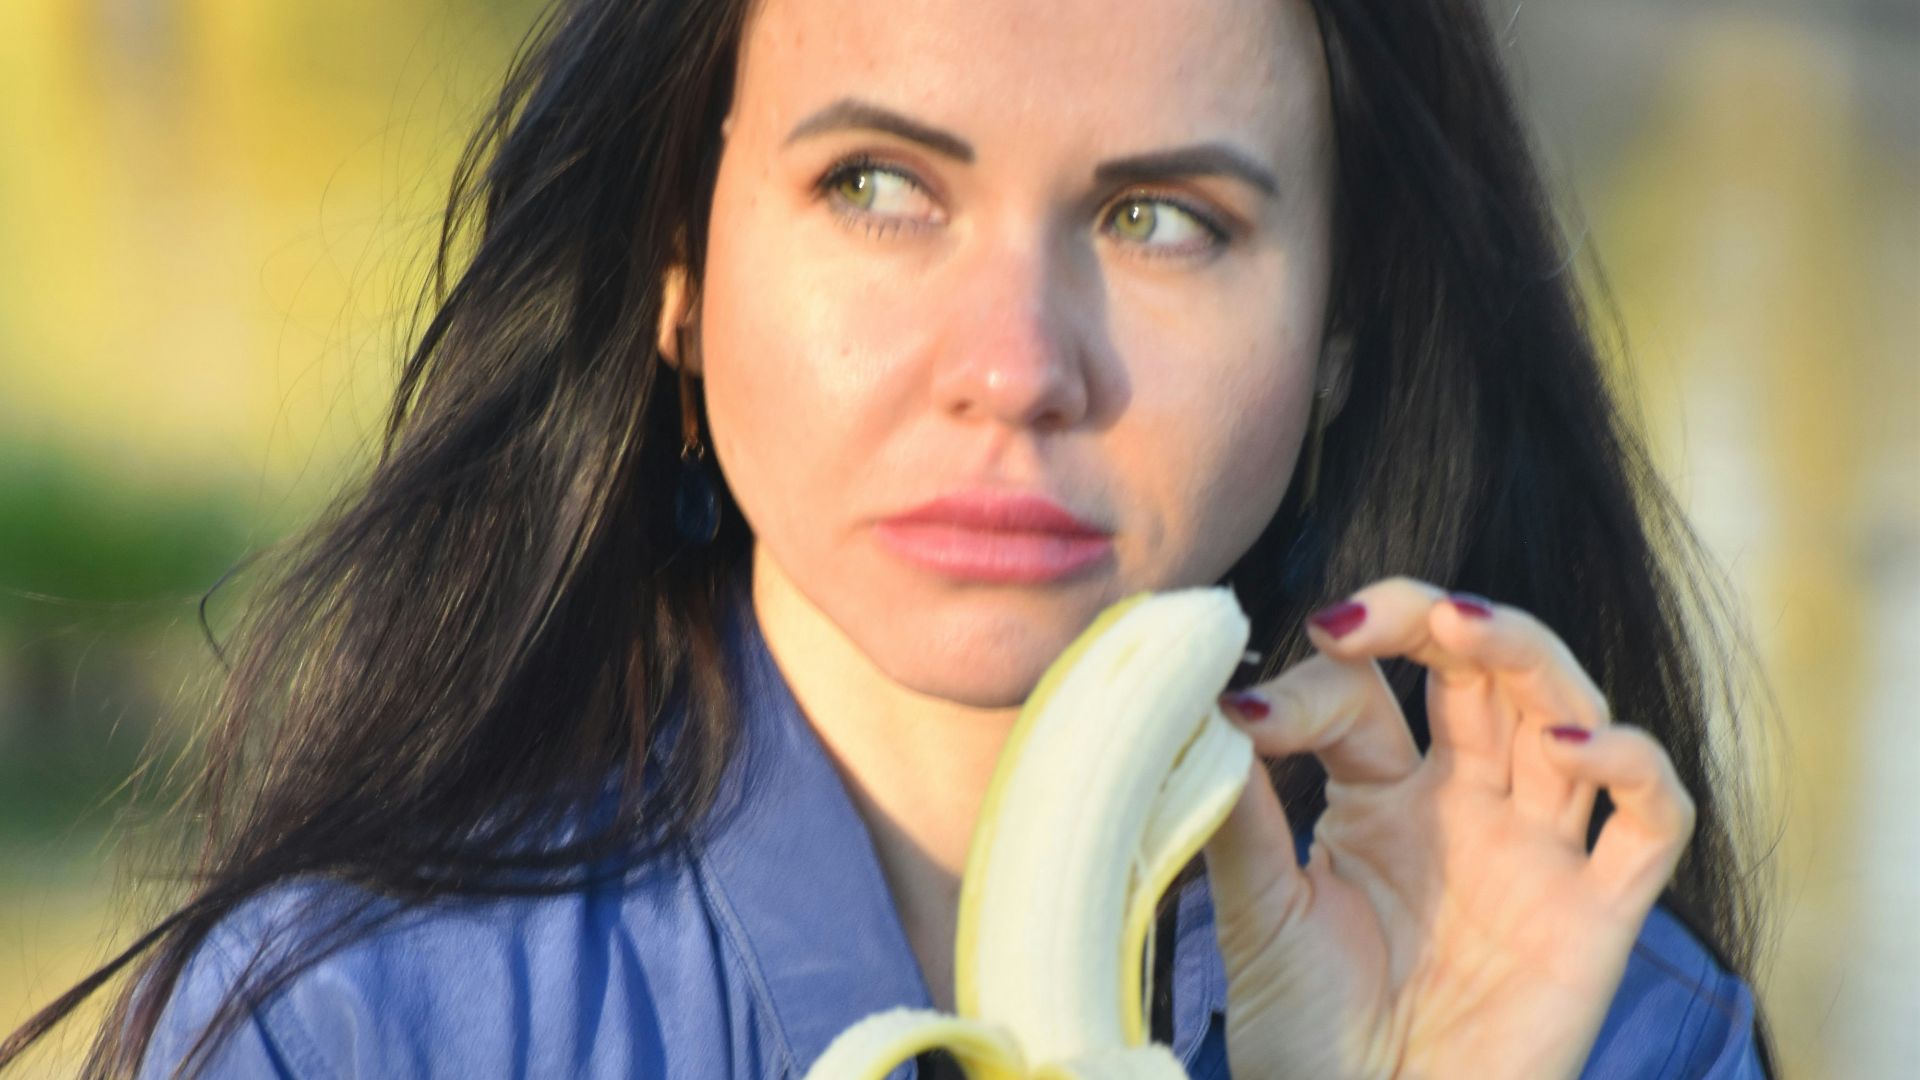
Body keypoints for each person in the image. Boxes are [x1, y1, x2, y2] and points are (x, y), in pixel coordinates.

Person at [0, 0, 1775, 1075]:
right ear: (677, 270)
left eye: (1163, 218)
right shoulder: (358, 1031)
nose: (1015, 367)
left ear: (1341, 339)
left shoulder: (1591, 1025)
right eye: (877, 186)